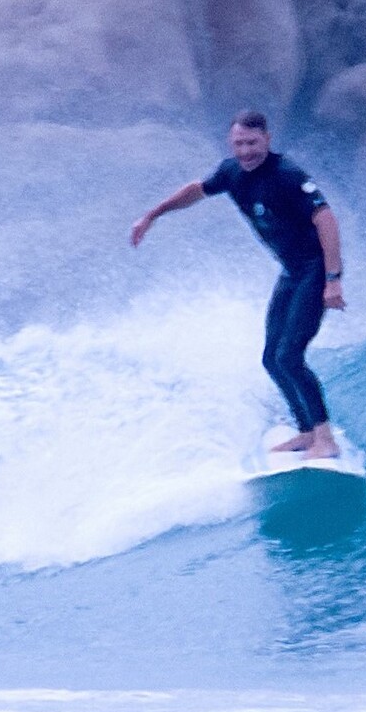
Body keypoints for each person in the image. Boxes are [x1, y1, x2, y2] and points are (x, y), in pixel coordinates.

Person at [130, 110, 345, 459]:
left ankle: (326, 439)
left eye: (253, 143)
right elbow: (196, 191)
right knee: (271, 359)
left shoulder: (287, 175)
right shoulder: (231, 172)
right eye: (239, 144)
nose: (246, 151)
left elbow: (326, 219)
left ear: (268, 139)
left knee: (290, 355)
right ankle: (306, 431)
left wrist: (333, 280)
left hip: (314, 269)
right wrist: (152, 215)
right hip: (291, 271)